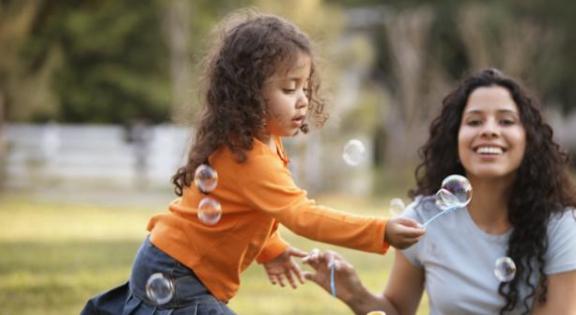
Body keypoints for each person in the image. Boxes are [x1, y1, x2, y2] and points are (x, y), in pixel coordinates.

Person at [81, 11, 424, 315]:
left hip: (171, 266)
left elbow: (239, 212)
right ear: (249, 92)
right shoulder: (249, 157)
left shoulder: (256, 142)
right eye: (290, 89)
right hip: (178, 276)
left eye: (305, 87)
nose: (303, 99)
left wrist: (271, 249)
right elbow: (302, 216)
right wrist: (381, 231)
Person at [303, 68, 576, 315]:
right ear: (455, 140)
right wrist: (355, 293)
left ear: (529, 140)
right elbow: (396, 309)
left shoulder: (560, 224)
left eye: (506, 121)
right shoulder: (425, 219)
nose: (489, 130)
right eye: (474, 121)